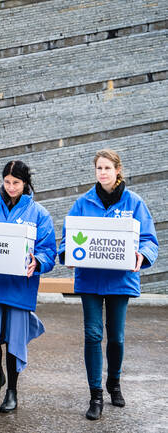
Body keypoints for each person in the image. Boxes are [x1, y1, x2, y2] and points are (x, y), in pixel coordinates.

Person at [58, 149, 158, 420]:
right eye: (98, 168)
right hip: (90, 279)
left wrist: (142, 254)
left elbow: (149, 239)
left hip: (119, 280)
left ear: (117, 170)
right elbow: (67, 237)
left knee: (116, 336)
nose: (102, 172)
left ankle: (113, 382)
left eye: (106, 168)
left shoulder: (134, 202)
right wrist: (67, 253)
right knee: (92, 334)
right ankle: (95, 395)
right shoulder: (82, 203)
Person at [0, 160, 57, 413]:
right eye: (7, 182)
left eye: (16, 183)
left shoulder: (39, 213)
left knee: (14, 340)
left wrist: (38, 261)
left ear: (25, 183)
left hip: (20, 286)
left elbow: (48, 250)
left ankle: (12, 391)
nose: (10, 187)